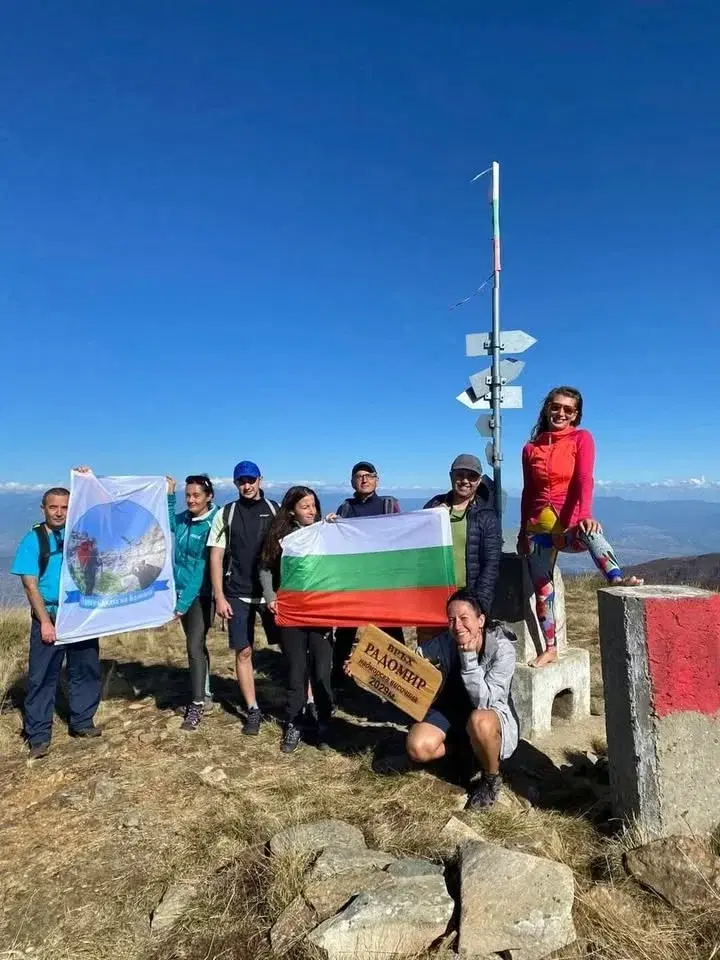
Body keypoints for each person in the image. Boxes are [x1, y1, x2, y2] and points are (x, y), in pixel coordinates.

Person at [519, 386, 642, 667]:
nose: (560, 412)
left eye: (568, 409)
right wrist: (522, 533)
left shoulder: (581, 438)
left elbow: (585, 478)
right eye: (556, 406)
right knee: (543, 592)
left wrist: (585, 513)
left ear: (576, 415)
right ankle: (550, 649)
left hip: (571, 525)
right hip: (538, 530)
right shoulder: (530, 448)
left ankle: (615, 578)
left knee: (592, 532)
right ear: (547, 408)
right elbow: (528, 491)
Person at [10, 471, 101, 759]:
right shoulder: (33, 540)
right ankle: (38, 736)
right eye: (53, 507)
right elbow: (30, 584)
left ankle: (82, 722)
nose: (59, 513)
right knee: (42, 677)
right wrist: (46, 622)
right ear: (43, 508)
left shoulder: (80, 534)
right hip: (50, 615)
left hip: (80, 614)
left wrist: (88, 481)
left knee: (85, 669)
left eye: (65, 507)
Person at [406, 589, 518, 810]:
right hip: (450, 711)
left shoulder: (502, 650)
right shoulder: (447, 640)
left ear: (481, 620)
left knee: (480, 721)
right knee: (417, 748)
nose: (457, 626)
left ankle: (491, 778)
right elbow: (412, 658)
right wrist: (365, 666)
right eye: (451, 620)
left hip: (486, 715)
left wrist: (468, 659)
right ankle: (463, 751)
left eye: (464, 619)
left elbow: (484, 702)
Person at [259, 486, 334, 754]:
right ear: (292, 511)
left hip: (321, 613)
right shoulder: (282, 537)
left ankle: (324, 723)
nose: (311, 511)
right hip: (291, 613)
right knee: (296, 671)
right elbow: (266, 568)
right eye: (305, 506)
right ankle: (294, 722)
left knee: (322, 671)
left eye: (314, 505)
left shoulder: (324, 532)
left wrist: (334, 527)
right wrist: (271, 597)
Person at [207, 460, 280, 734]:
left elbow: (296, 539)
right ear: (235, 483)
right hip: (237, 592)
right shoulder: (226, 514)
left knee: (292, 649)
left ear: (260, 480)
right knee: (244, 650)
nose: (247, 486)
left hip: (272, 594)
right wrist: (219, 597)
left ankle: (302, 702)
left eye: (251, 480)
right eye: (241, 481)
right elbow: (215, 555)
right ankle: (253, 709)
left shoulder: (275, 510)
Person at [330, 461, 403, 687]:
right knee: (345, 633)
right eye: (359, 476)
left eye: (368, 475)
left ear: (376, 480)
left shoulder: (389, 505)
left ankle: (400, 686)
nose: (364, 479)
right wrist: (331, 524)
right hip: (353, 582)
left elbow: (403, 534)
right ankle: (340, 683)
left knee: (391, 636)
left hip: (382, 583)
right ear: (352, 481)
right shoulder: (345, 508)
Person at [167, 474, 219, 732]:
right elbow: (166, 523)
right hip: (182, 592)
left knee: (193, 646)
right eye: (187, 495)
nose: (191, 500)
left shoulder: (212, 524)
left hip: (201, 595)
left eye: (196, 495)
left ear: (208, 497)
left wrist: (182, 603)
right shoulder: (185, 520)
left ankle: (197, 704)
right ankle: (206, 694)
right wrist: (169, 495)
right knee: (197, 645)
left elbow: (201, 567)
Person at [423, 454, 502, 618]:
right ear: (451, 476)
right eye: (460, 475)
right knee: (430, 643)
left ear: (479, 480)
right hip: (434, 598)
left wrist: (480, 605)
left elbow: (491, 565)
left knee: (464, 644)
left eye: (472, 476)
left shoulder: (486, 516)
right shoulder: (432, 508)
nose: (465, 481)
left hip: (468, 601)